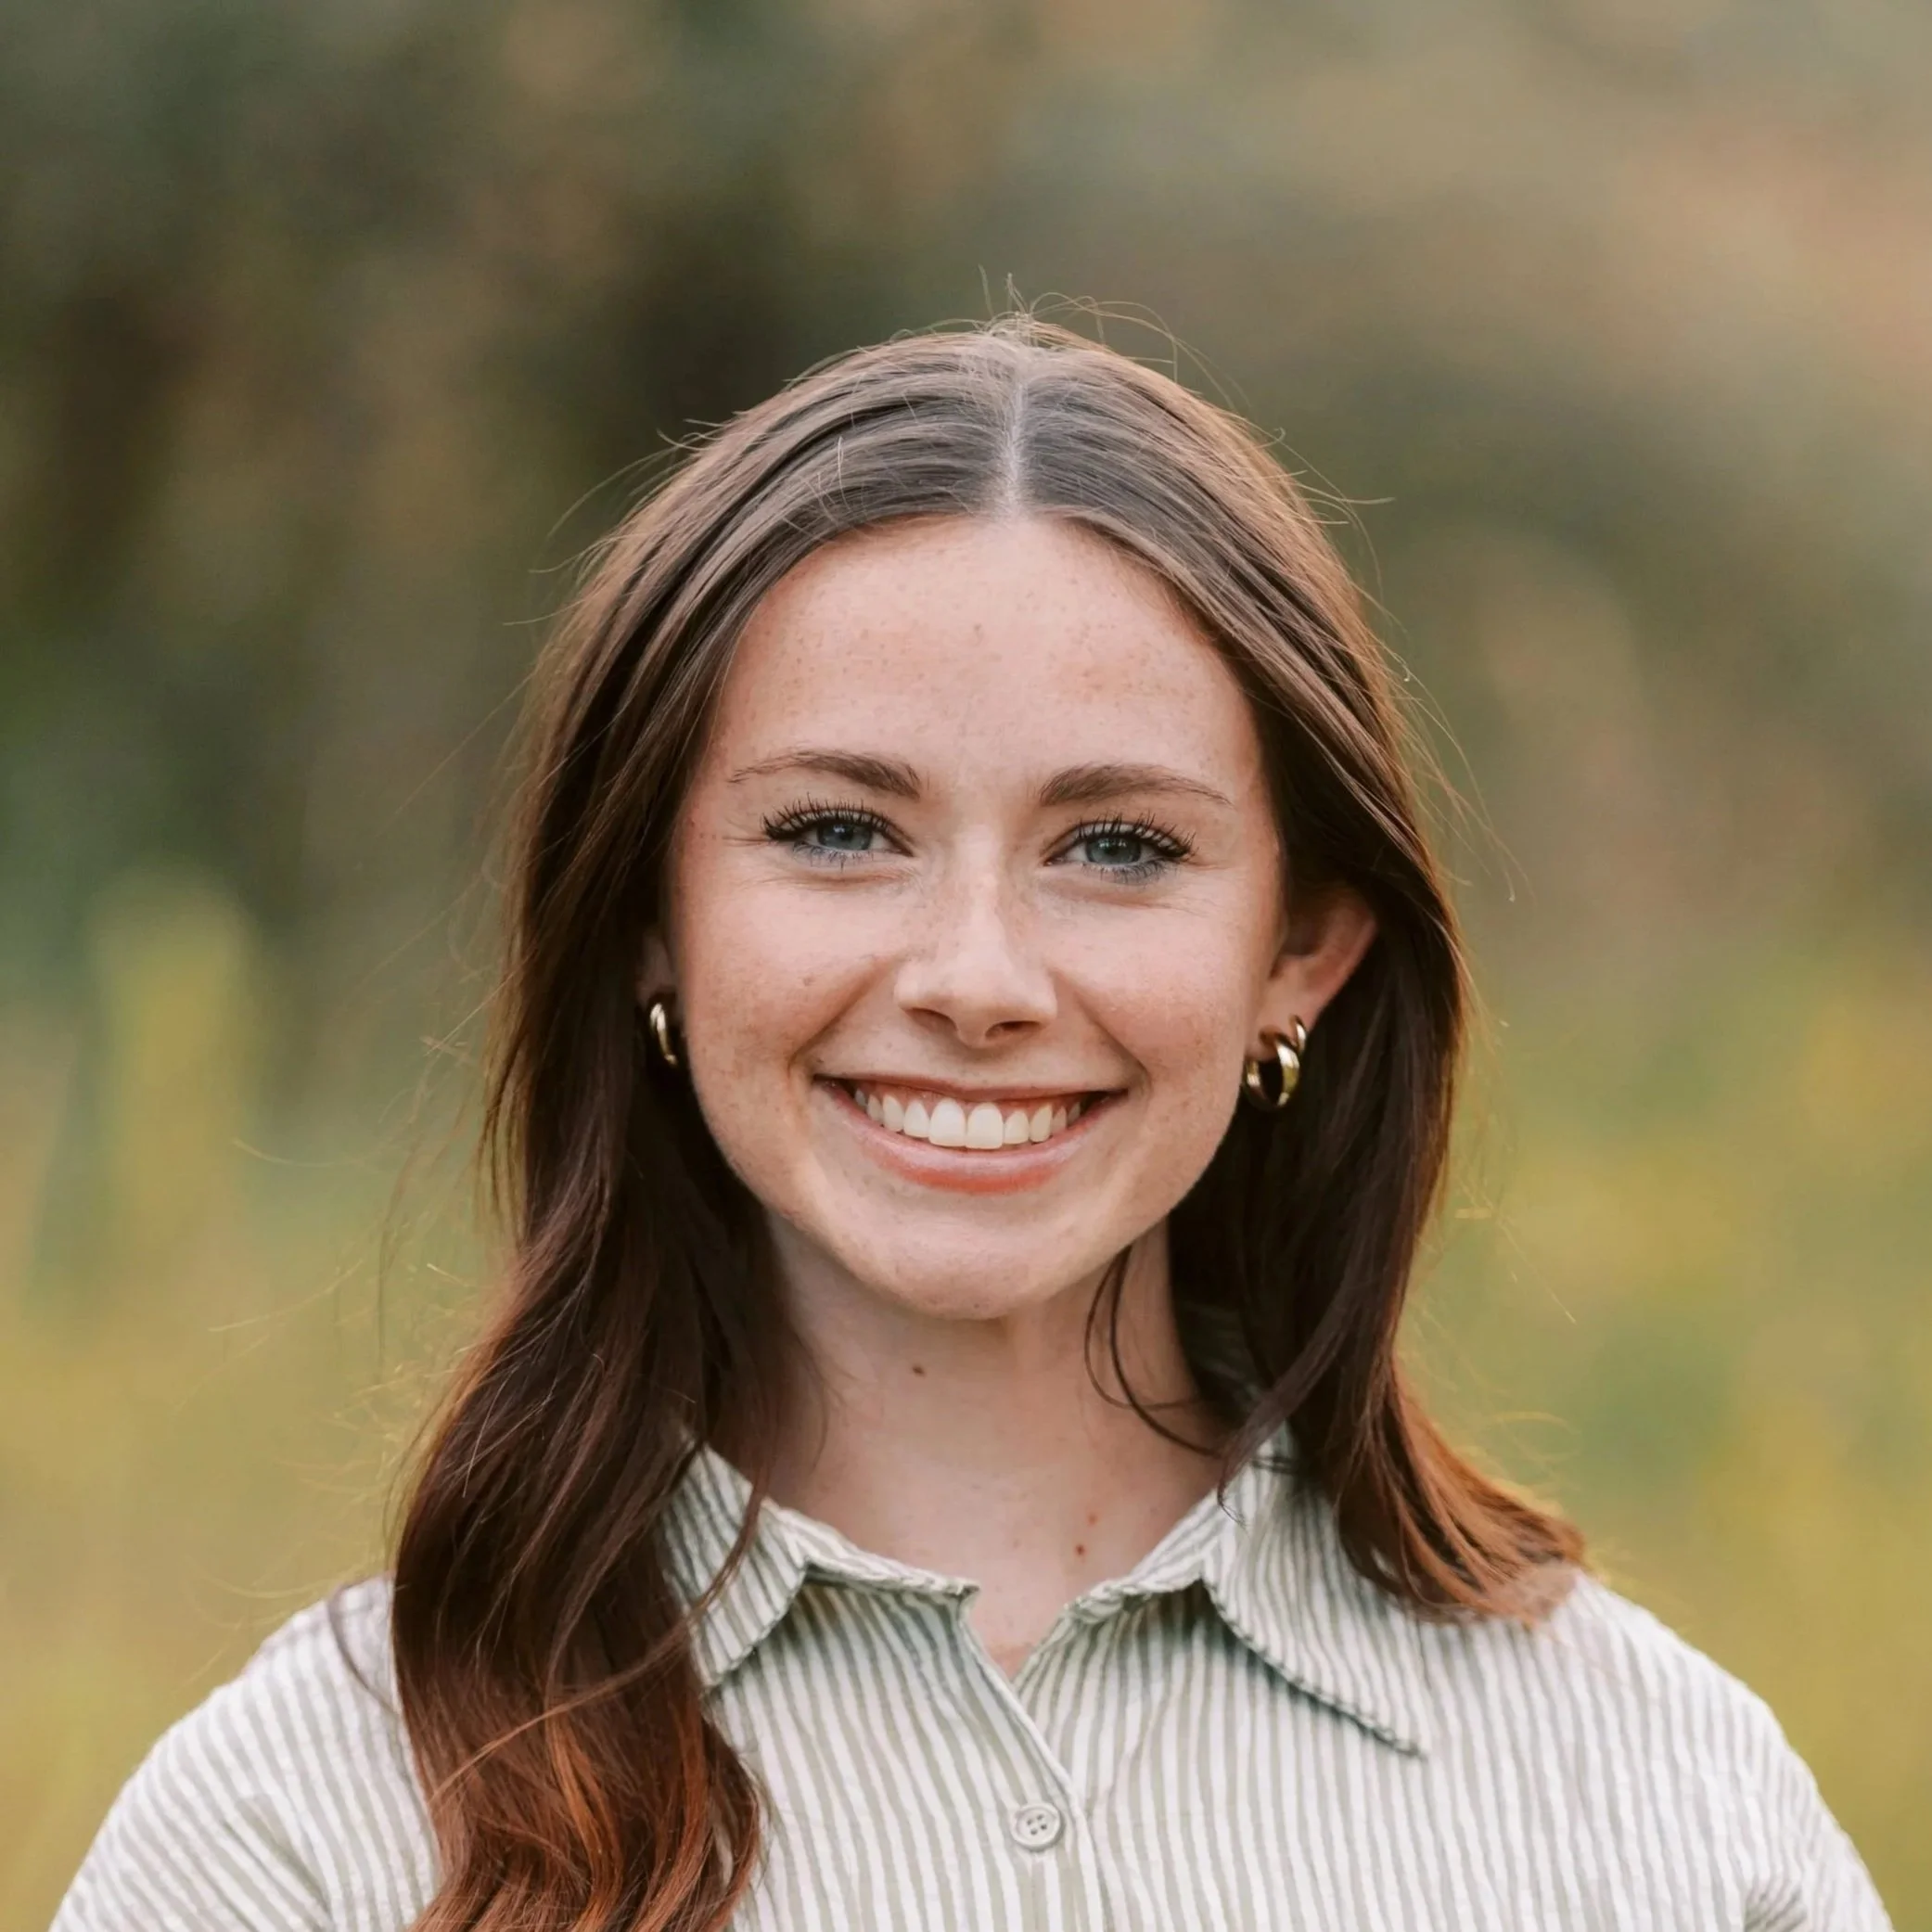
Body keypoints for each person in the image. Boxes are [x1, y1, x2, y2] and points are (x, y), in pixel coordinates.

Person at [53, 318, 1891, 1932]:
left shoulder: (1655, 1801)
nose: (979, 975)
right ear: (641, 919)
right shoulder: (302, 1830)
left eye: (1119, 848)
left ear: (1303, 948)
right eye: (840, 832)